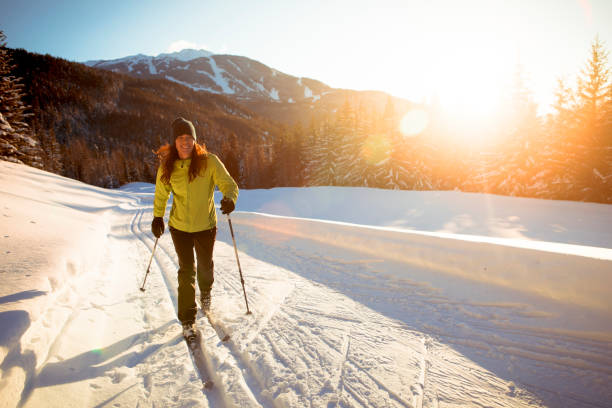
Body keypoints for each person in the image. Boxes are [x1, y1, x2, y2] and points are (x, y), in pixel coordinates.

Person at [151, 117, 238, 340]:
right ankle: (188, 320)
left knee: (205, 266)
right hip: (179, 227)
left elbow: (228, 183)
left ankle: (206, 293)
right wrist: (157, 217)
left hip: (206, 226)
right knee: (186, 271)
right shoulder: (167, 167)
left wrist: (229, 198)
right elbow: (161, 194)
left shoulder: (209, 162)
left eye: (189, 138)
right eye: (181, 138)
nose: (185, 142)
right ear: (174, 141)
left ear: (195, 140)